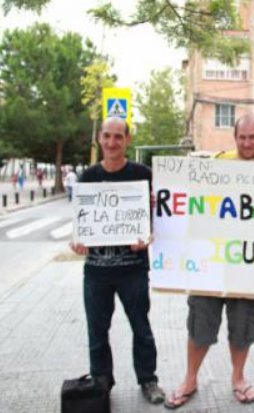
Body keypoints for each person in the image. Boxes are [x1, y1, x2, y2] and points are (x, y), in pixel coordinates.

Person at [164, 113, 254, 409]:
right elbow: (181, 194)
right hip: (209, 263)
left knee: (243, 326)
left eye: (252, 137)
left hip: (249, 265)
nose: (247, 143)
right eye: (242, 137)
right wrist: (163, 200)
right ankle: (190, 379)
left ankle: (238, 378)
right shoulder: (216, 165)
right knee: (200, 324)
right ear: (235, 138)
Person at [69, 117, 165, 405]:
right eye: (107, 136)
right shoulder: (87, 178)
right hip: (96, 272)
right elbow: (79, 224)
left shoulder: (143, 174)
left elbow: (162, 215)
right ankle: (101, 384)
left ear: (127, 140)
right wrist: (77, 241)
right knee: (97, 331)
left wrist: (150, 232)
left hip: (133, 269)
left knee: (141, 327)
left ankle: (148, 380)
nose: (112, 143)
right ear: (99, 138)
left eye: (118, 137)